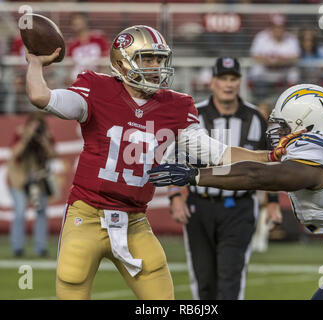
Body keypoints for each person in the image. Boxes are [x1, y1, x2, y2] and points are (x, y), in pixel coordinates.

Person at [24, 25, 288, 300]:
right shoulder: (97, 88)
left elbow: (218, 154)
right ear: (123, 61)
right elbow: (41, 97)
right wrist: (34, 63)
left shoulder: (175, 106)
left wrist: (267, 155)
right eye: (147, 59)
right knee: (72, 282)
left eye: (160, 59)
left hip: (134, 219)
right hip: (87, 214)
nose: (156, 66)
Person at [148, 83, 323, 300]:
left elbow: (258, 176)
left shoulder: (315, 154)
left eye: (284, 126)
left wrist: (195, 175)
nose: (277, 131)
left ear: (306, 124)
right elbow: (260, 163)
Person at [166, 57, 282, 300]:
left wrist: (272, 201)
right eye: (223, 78)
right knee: (204, 282)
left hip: (239, 207)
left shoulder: (255, 117)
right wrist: (175, 197)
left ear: (240, 82)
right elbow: (172, 156)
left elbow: (268, 162)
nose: (228, 84)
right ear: (212, 82)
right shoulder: (193, 113)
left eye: (233, 79)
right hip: (200, 204)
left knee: (230, 281)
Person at [7, 111, 57, 257]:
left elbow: (54, 155)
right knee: (20, 212)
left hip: (38, 179)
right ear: (28, 125)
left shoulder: (46, 136)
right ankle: (17, 248)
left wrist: (44, 141)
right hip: (19, 179)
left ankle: (40, 248)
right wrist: (26, 138)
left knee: (41, 212)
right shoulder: (20, 133)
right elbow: (15, 154)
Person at [249, 13, 300, 102]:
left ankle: (292, 100)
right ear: (271, 27)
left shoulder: (291, 38)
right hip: (266, 70)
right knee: (255, 70)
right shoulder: (261, 36)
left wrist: (280, 60)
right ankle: (255, 99)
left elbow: (296, 56)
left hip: (283, 70)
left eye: (281, 27)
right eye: (275, 27)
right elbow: (254, 55)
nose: (278, 29)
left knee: (294, 73)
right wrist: (268, 60)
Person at [67, 12, 110, 81]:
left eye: (79, 22)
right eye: (75, 23)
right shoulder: (72, 44)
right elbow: (70, 66)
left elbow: (106, 57)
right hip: (78, 79)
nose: (77, 25)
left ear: (85, 21)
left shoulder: (98, 38)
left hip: (97, 77)